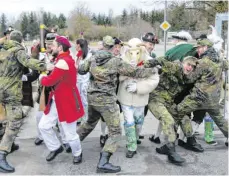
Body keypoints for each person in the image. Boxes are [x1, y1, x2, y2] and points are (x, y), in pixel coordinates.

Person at [77, 35, 155, 173]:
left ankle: (71, 144)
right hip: (107, 101)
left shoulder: (93, 58)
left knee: (89, 123)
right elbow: (135, 72)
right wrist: (152, 70)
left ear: (103, 46)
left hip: (92, 98)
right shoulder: (115, 62)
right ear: (113, 47)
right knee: (115, 132)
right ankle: (103, 162)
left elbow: (81, 69)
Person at [0, 30, 50, 173]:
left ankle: (10, 144)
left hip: (1, 91)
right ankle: (2, 154)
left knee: (5, 119)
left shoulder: (3, 49)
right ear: (21, 40)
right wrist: (45, 66)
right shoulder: (17, 50)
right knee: (15, 121)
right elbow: (28, 62)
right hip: (11, 93)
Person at [144, 56, 203, 165]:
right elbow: (161, 60)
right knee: (169, 120)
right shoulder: (175, 67)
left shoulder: (187, 77)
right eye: (188, 64)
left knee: (184, 117)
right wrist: (145, 65)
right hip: (156, 99)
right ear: (183, 63)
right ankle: (170, 148)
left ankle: (190, 140)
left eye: (192, 67)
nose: (189, 68)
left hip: (168, 102)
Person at [175, 38, 229, 147]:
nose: (198, 50)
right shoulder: (219, 61)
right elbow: (227, 65)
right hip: (213, 99)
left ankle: (179, 138)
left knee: (177, 110)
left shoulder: (202, 62)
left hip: (198, 97)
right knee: (220, 120)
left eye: (199, 47)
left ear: (206, 48)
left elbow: (190, 78)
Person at [39, 36, 84, 164]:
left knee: (70, 133)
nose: (50, 47)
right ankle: (55, 147)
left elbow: (49, 81)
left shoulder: (63, 61)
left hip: (67, 101)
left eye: (53, 45)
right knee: (44, 126)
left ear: (59, 47)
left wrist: (42, 76)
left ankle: (77, 153)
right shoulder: (62, 59)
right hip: (57, 100)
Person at [117, 38, 160, 158]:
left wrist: (138, 86)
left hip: (140, 98)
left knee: (138, 121)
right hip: (125, 97)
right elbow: (117, 76)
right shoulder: (122, 59)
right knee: (129, 121)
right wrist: (126, 73)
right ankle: (131, 146)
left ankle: (135, 138)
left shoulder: (150, 61)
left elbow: (154, 80)